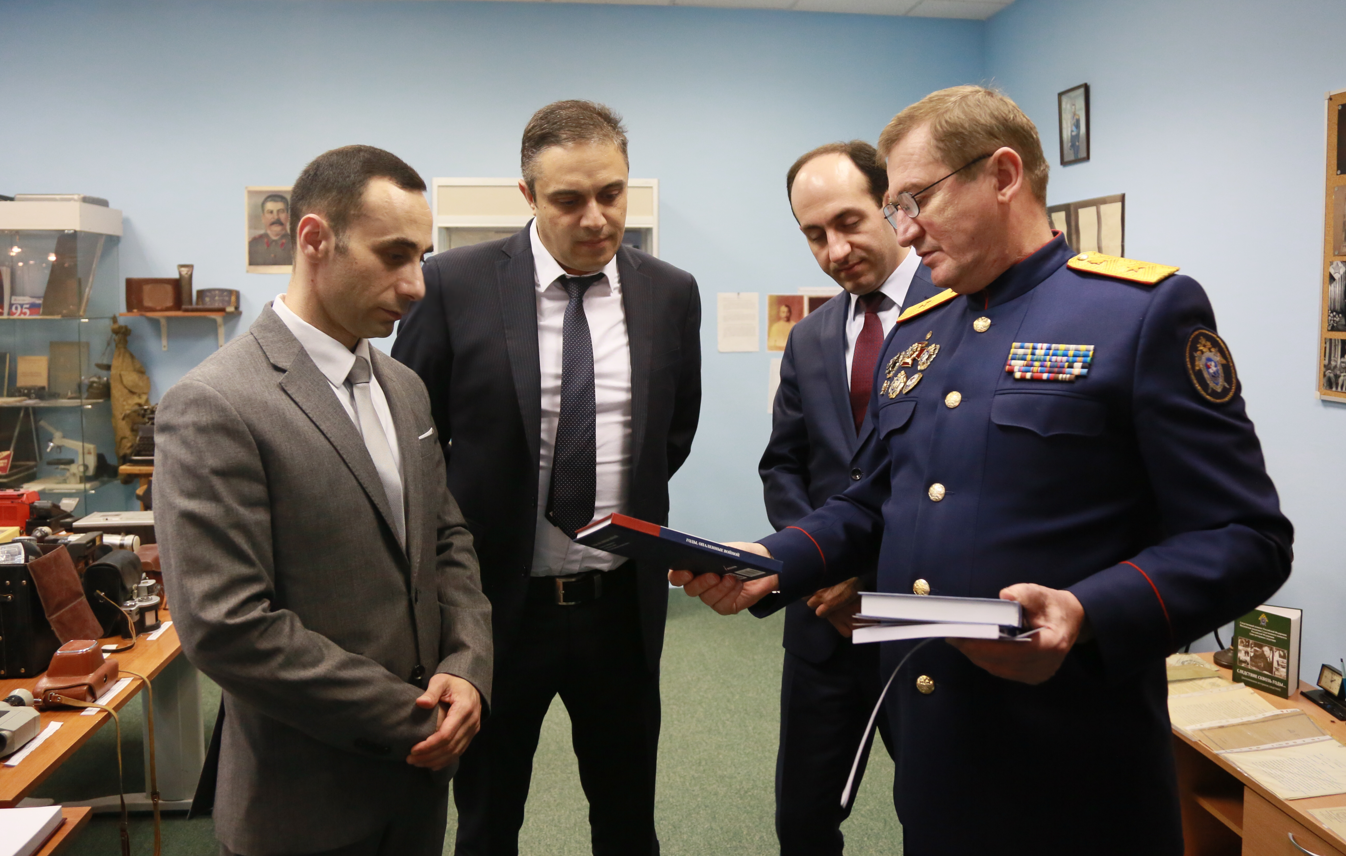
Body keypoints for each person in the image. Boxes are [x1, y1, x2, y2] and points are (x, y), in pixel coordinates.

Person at [673, 85, 1292, 856]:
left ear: (1002, 175)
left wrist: (1086, 610)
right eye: (894, 208)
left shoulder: (1137, 313)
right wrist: (774, 560)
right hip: (935, 740)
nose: (905, 230)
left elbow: (1247, 536)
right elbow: (874, 501)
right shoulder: (922, 331)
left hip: (1073, 757)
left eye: (916, 201)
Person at [157, 145, 493, 856]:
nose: (416, 285)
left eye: (422, 258)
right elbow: (225, 625)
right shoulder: (215, 403)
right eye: (393, 255)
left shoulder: (405, 387)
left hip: (419, 793)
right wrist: (415, 716)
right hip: (303, 804)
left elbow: (446, 539)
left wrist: (466, 666)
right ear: (314, 239)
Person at [392, 100, 701, 856]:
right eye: (569, 199)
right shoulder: (453, 284)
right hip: (496, 611)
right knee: (488, 818)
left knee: (627, 819)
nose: (596, 218)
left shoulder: (670, 292)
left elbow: (670, 437)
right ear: (528, 195)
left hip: (618, 610)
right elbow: (410, 440)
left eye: (612, 193)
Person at [760, 140, 941, 856]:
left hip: (923, 621)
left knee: (936, 815)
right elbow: (784, 465)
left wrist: (869, 577)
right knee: (802, 820)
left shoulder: (958, 311)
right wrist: (819, 573)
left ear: (892, 208)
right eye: (814, 235)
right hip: (824, 626)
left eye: (848, 222)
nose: (834, 250)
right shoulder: (810, 337)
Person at [248, 192, 293, 266]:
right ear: (263, 218)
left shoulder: (297, 245)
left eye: (281, 211)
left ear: (288, 217)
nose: (276, 217)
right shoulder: (252, 246)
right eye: (270, 212)